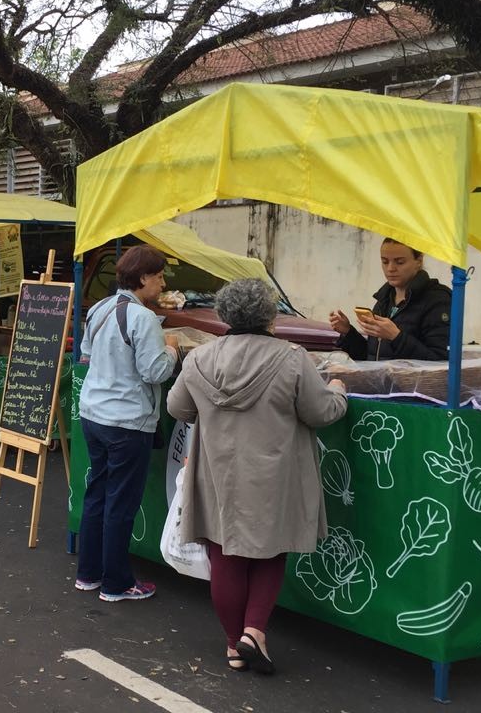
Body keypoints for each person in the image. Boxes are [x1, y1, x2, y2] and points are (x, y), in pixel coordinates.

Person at [167, 278, 348, 675]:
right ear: (269, 315)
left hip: (216, 472)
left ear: (224, 314)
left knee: (224, 555)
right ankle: (254, 631)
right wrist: (338, 389)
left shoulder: (200, 359)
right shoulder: (292, 358)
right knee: (271, 552)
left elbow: (177, 407)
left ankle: (235, 645)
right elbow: (322, 414)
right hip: (275, 474)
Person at [76, 244, 179, 602]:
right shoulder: (143, 318)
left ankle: (88, 574)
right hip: (127, 422)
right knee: (120, 504)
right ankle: (116, 584)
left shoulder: (100, 308)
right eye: (160, 276)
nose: (163, 284)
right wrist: (172, 349)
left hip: (93, 414)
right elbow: (155, 371)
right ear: (144, 277)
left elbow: (87, 355)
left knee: (97, 495)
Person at [329, 238, 452, 361]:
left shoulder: (437, 300)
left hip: (408, 380)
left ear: (419, 261)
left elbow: (439, 360)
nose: (390, 268)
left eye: (399, 262)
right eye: (385, 261)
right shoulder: (384, 300)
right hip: (377, 380)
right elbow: (372, 356)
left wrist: (396, 336)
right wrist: (348, 332)